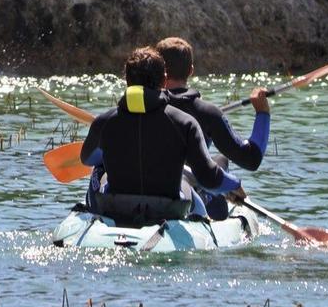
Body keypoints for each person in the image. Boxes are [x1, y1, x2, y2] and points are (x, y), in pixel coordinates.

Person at [80, 46, 245, 226]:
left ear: (127, 80)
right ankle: (203, 222)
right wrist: (234, 184)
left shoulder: (104, 122)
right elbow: (208, 177)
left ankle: (93, 215)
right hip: (168, 209)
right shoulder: (185, 123)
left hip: (116, 207)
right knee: (188, 183)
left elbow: (87, 159)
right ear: (164, 80)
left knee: (98, 169)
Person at [156, 37, 270, 218]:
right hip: (189, 187)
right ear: (191, 71)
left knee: (219, 160)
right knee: (221, 161)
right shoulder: (207, 112)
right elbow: (251, 159)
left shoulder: (141, 108)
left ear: (158, 71)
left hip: (152, 184)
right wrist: (262, 113)